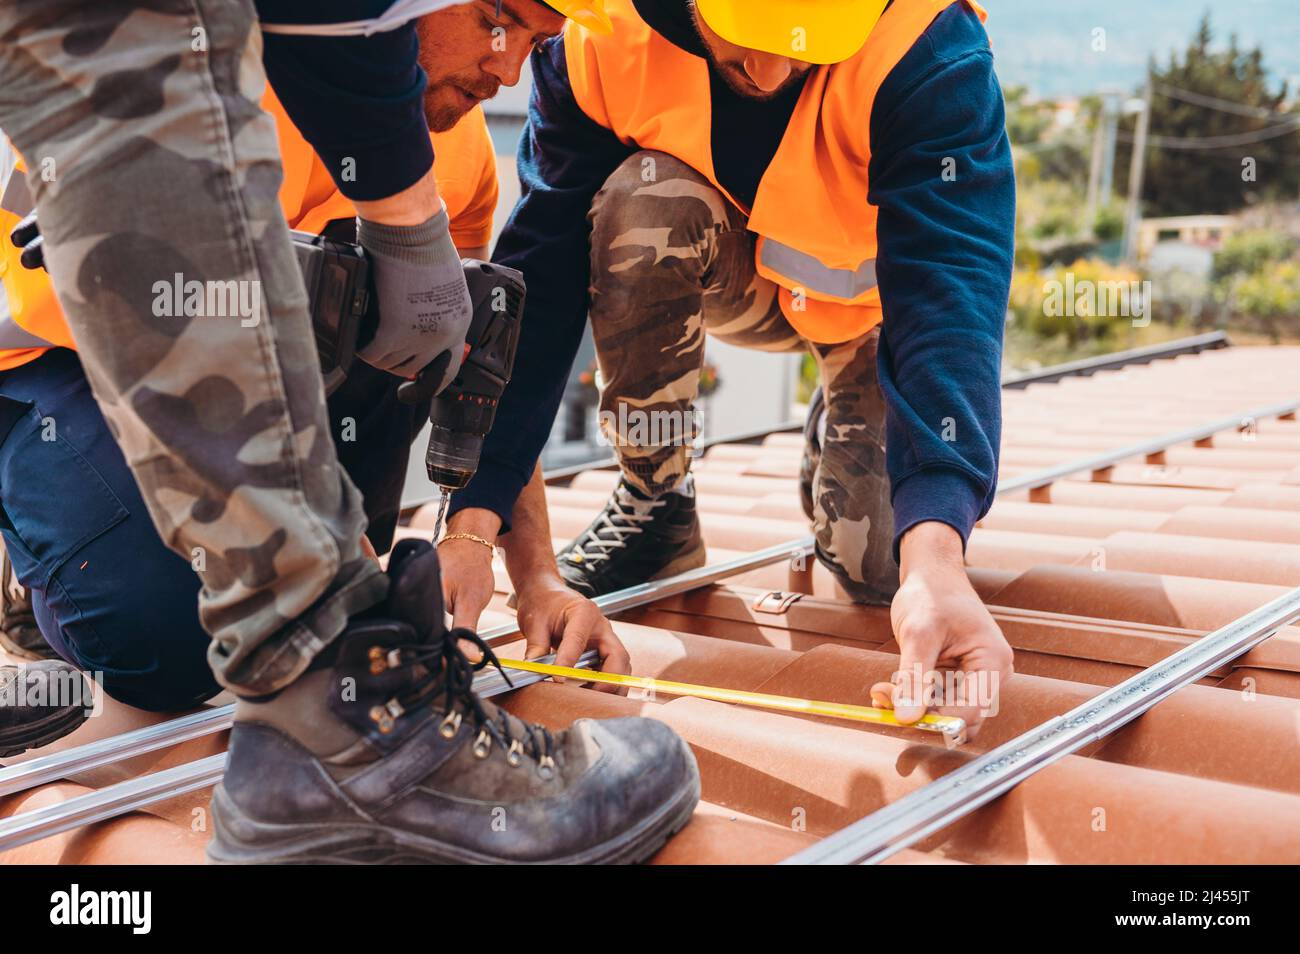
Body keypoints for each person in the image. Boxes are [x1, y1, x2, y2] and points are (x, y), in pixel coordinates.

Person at [0, 0, 698, 864]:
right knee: (173, 643)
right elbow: (169, 320)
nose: (509, 69)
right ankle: (41, 572)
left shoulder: (458, 153)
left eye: (535, 45)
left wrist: (533, 574)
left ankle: (319, 676)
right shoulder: (208, 73)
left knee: (392, 369)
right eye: (496, 21)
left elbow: (475, 369)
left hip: (258, 401)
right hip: (59, 370)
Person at [447, 0, 1017, 734]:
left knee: (879, 571)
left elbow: (951, 293)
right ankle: (657, 505)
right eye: (746, 40)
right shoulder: (598, 38)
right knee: (642, 197)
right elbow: (540, 288)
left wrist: (937, 558)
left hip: (876, 318)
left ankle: (852, 408)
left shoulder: (928, 48)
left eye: (805, 47)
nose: (773, 69)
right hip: (746, 279)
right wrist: (473, 519)